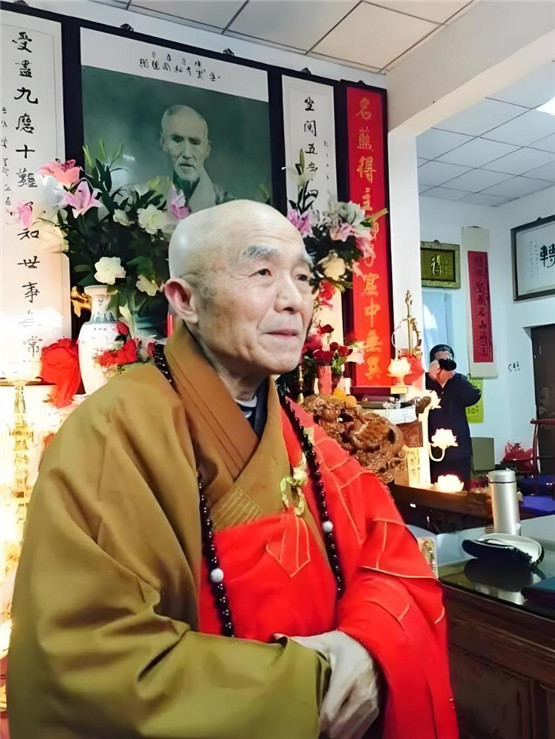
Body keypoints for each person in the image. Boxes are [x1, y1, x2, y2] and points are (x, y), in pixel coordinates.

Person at [8, 201, 458, 739]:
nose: (293, 300)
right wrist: (307, 685)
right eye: (262, 272)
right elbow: (90, 660)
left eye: (302, 277)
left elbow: (389, 551)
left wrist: (368, 647)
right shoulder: (112, 431)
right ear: (185, 300)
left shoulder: (296, 426)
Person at [150, 104, 234, 212]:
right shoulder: (142, 198)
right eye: (177, 140)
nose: (187, 154)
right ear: (163, 143)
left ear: (207, 150)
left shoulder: (228, 207)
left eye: (195, 143)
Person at [426, 343, 482, 488]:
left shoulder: (458, 380)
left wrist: (455, 376)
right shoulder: (425, 382)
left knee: (462, 487)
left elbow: (473, 397)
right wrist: (431, 377)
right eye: (441, 361)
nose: (445, 364)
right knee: (435, 488)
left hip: (459, 448)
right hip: (433, 448)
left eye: (448, 360)